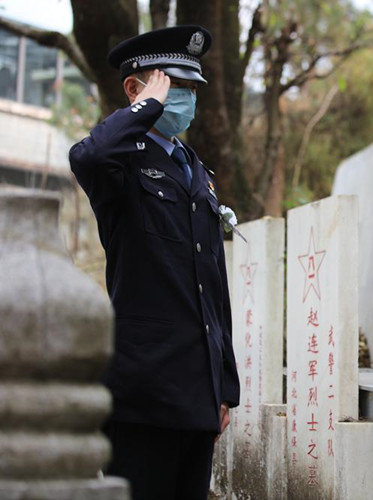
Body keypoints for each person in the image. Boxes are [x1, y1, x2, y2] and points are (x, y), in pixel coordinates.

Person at [69, 25, 240, 500]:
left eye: (192, 89)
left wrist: (224, 386)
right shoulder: (121, 162)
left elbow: (213, 283)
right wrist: (145, 108)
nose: (187, 99)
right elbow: (89, 156)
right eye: (174, 85)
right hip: (143, 390)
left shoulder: (196, 170)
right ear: (134, 88)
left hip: (197, 391)